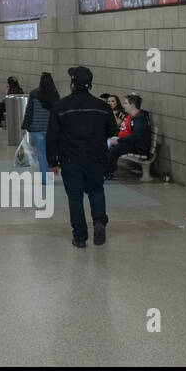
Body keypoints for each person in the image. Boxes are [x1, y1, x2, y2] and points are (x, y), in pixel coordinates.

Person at [45, 66, 117, 248]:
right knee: (96, 191)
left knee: (75, 197)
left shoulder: (60, 107)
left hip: (70, 160)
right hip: (96, 158)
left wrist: (52, 161)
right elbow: (112, 131)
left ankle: (80, 237)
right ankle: (99, 222)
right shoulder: (103, 107)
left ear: (72, 84)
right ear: (90, 84)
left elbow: (52, 136)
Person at [105, 93, 152, 179]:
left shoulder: (140, 119)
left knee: (116, 148)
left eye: (126, 103)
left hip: (139, 147)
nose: (124, 105)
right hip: (132, 143)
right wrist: (114, 137)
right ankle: (106, 169)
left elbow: (136, 136)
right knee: (109, 145)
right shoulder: (131, 117)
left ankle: (108, 173)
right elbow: (123, 130)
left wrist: (119, 140)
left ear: (132, 106)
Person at [24, 73, 59, 188]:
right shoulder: (54, 95)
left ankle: (45, 179)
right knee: (51, 152)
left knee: (41, 153)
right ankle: (51, 174)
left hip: (36, 128)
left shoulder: (34, 94)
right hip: (50, 128)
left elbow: (29, 111)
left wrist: (25, 126)